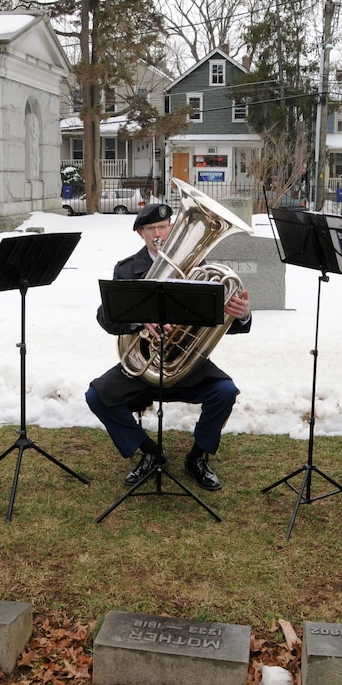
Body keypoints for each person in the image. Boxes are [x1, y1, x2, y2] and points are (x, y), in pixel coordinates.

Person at [85, 203, 251, 490]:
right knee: (96, 396)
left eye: (163, 227)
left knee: (224, 392)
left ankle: (198, 457)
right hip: (141, 364)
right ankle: (149, 452)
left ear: (172, 229)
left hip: (186, 362)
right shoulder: (127, 269)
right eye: (151, 229)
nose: (158, 233)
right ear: (141, 234)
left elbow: (224, 323)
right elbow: (106, 318)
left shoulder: (198, 268)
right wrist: (138, 320)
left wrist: (242, 314)